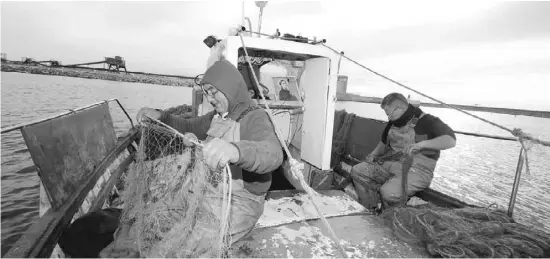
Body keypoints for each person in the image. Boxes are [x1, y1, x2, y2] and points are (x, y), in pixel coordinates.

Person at [101, 59, 284, 257]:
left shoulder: (255, 117)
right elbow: (189, 127)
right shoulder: (217, 116)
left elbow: (273, 153)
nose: (210, 98)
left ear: (230, 87)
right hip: (205, 191)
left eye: (214, 91)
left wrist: (235, 150)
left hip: (237, 203)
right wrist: (160, 116)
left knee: (179, 249)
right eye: (206, 92)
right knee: (152, 221)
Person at [348, 93, 456, 209]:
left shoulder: (428, 121)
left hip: (417, 170)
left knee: (389, 193)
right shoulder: (393, 123)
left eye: (389, 113)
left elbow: (450, 140)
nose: (388, 118)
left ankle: (388, 218)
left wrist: (423, 144)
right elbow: (384, 143)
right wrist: (374, 154)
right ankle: (370, 209)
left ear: (399, 108)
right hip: (391, 164)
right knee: (358, 171)